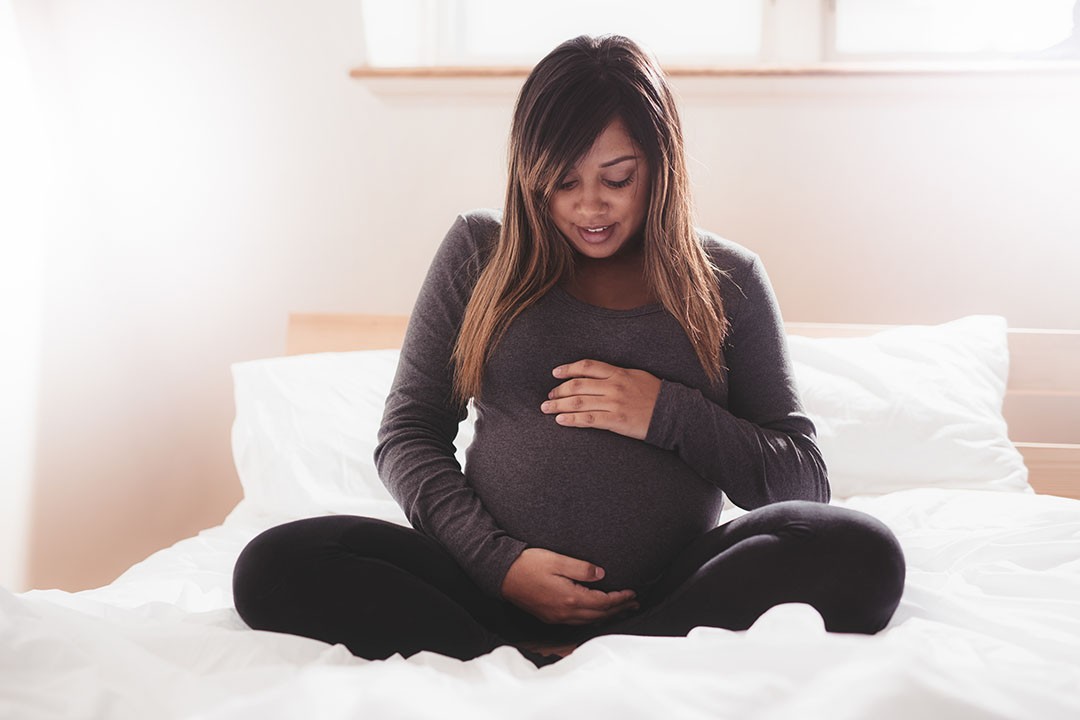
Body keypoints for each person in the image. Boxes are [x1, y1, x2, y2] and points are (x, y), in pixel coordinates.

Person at [232, 34, 906, 668]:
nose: (590, 206)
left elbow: (802, 482)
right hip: (487, 586)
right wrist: (499, 563)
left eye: (617, 178)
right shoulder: (478, 253)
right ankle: (519, 652)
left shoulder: (727, 279)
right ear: (530, 174)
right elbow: (408, 436)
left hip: (672, 593)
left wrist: (666, 413)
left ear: (660, 166)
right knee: (274, 564)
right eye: (562, 181)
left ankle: (596, 652)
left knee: (861, 552)